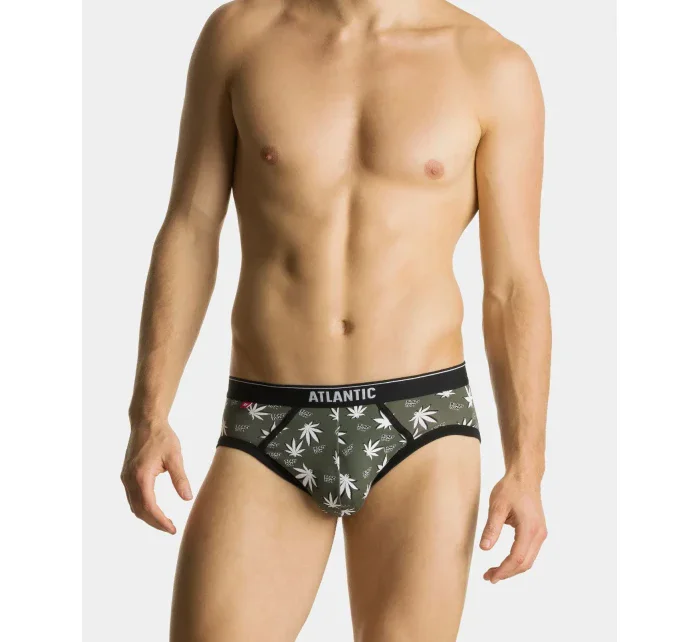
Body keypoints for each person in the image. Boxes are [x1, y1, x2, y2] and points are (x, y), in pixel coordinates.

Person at [120, 0, 551, 640]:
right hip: (269, 416)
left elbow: (512, 284)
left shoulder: (491, 64)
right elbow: (191, 226)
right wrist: (149, 414)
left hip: (421, 422)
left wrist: (527, 466)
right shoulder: (241, 35)